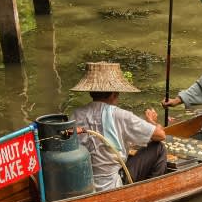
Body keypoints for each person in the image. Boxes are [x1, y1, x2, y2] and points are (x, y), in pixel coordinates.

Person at [70, 62, 167, 192]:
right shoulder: (121, 115)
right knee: (158, 148)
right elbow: (161, 135)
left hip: (85, 182)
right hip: (111, 184)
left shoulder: (76, 114)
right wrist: (151, 121)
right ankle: (151, 191)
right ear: (114, 93)